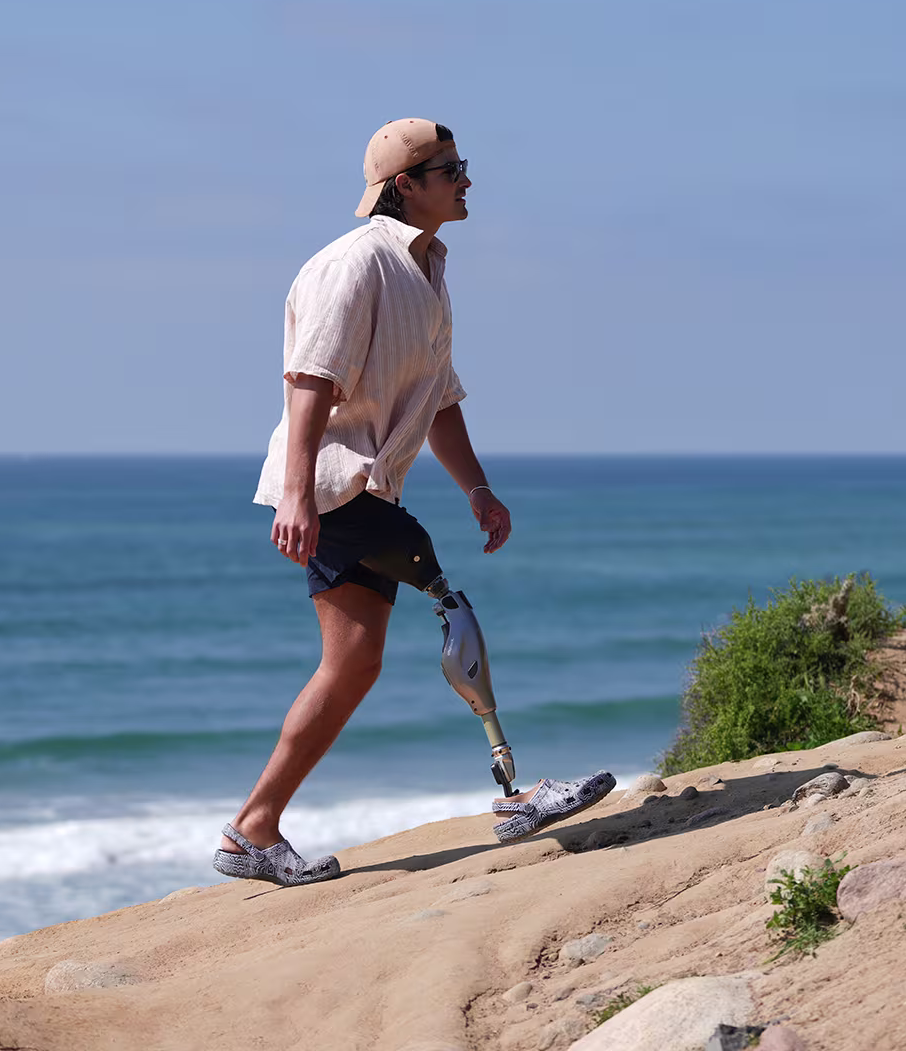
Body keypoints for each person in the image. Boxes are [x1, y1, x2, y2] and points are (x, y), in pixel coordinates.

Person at [214, 119, 614, 887]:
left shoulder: (428, 266)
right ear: (407, 184)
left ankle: (252, 830)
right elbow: (309, 383)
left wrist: (479, 488)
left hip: (359, 486)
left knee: (354, 664)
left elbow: (440, 399)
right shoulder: (355, 265)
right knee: (447, 604)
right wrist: (296, 494)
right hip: (334, 486)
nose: (466, 180)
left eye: (463, 166)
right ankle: (515, 791)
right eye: (450, 169)